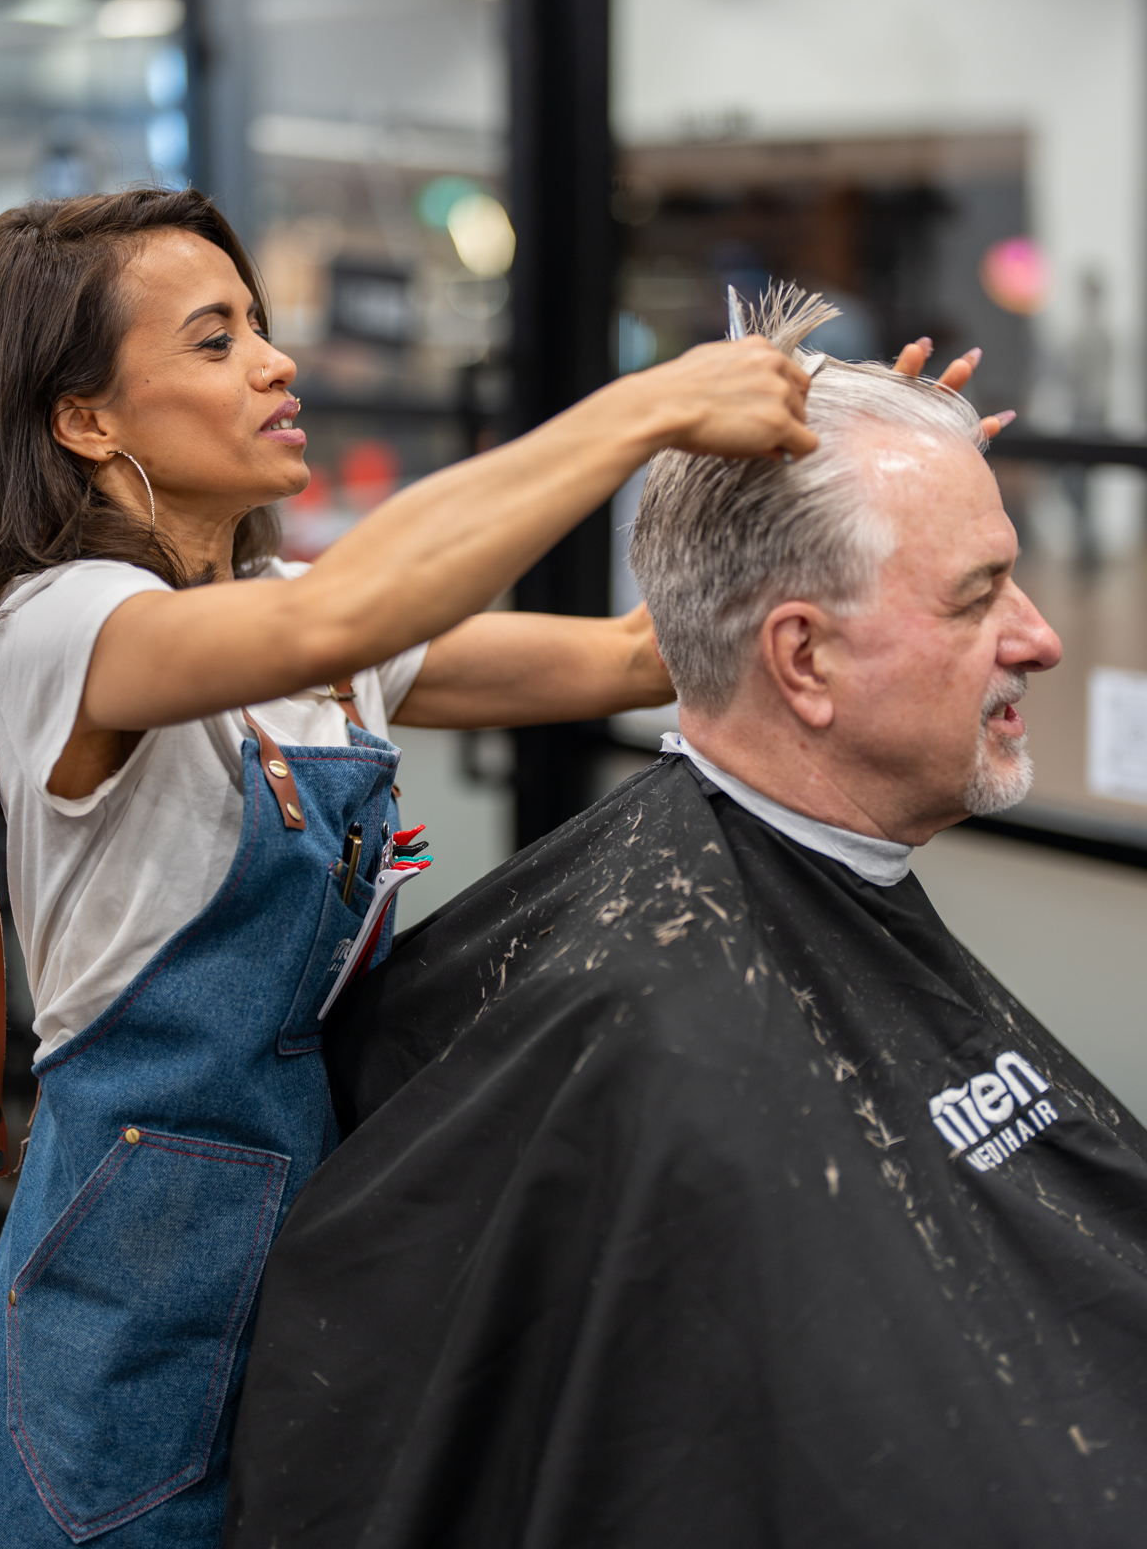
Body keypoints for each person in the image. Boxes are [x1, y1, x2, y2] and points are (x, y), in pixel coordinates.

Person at [0, 187, 824, 1549]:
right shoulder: (62, 625)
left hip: (312, 1242)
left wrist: (847, 472)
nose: (276, 363)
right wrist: (648, 407)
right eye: (214, 340)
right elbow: (348, 609)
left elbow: (641, 657)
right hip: (128, 1291)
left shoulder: (292, 625)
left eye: (259, 327)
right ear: (85, 420)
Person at [225, 286, 1147, 1549]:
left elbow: (664, 639)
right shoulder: (658, 1030)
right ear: (804, 662)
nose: (1037, 637)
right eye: (978, 593)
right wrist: (692, 429)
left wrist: (879, 471)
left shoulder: (714, 937)